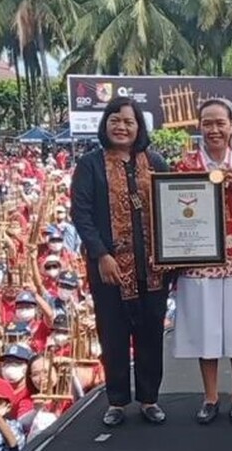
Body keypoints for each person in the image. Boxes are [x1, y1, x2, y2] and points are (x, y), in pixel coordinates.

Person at [71, 96, 171, 427]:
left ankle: (149, 398)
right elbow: (82, 214)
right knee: (112, 334)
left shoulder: (155, 161)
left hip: (153, 267)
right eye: (115, 120)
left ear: (139, 127)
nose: (121, 126)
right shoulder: (91, 164)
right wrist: (101, 254)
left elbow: (172, 211)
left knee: (151, 334)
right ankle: (116, 400)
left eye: (128, 121)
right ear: (105, 124)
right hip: (109, 267)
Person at [172, 98, 232, 425]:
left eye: (220, 123)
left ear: (231, 125)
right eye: (207, 123)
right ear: (199, 127)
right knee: (206, 330)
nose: (214, 129)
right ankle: (211, 396)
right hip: (199, 259)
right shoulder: (185, 165)